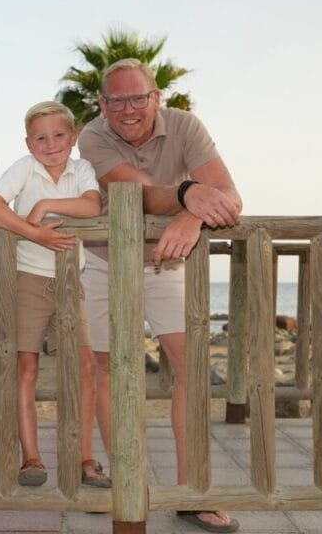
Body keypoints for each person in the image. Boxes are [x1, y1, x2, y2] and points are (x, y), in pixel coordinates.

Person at [77, 58, 243, 533]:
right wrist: (191, 195)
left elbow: (228, 193)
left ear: (156, 97)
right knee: (109, 367)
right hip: (106, 261)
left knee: (190, 366)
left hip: (166, 260)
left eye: (138, 97)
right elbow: (141, 193)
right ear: (102, 104)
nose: (129, 109)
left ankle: (192, 493)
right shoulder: (93, 137)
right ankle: (128, 484)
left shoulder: (186, 125)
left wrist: (193, 214)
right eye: (117, 100)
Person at [0, 101, 109, 488]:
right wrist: (34, 231)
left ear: (72, 138)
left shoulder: (81, 169)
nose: (50, 144)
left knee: (84, 367)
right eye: (41, 137)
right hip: (28, 278)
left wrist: (45, 205)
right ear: (28, 142)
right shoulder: (25, 167)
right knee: (26, 367)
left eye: (58, 135)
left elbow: (92, 205)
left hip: (71, 281)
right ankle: (31, 458)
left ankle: (85, 457)